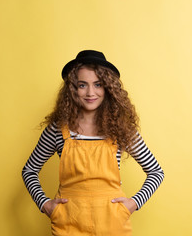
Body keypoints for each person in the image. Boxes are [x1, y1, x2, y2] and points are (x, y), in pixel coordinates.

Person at [22, 50, 164, 236]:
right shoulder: (58, 130)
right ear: (73, 89)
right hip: (68, 225)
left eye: (98, 84)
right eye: (82, 85)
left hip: (113, 225)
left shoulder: (120, 129)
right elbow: (29, 170)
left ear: (108, 88)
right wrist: (45, 205)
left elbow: (156, 171)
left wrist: (132, 204)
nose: (91, 92)